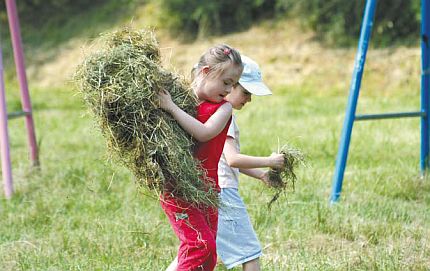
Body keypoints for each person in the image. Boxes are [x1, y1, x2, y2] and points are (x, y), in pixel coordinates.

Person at [158, 44, 243, 271]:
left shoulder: (224, 109)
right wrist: (169, 105)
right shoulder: (180, 98)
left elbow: (204, 133)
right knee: (199, 244)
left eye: (233, 85)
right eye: (226, 82)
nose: (229, 90)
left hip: (207, 189)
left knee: (208, 255)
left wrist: (171, 108)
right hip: (176, 185)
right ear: (206, 72)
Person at [216, 55, 285, 271]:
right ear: (230, 84)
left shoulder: (215, 113)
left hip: (210, 189)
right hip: (223, 192)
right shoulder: (223, 116)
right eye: (246, 92)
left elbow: (228, 158)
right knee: (250, 252)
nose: (249, 99)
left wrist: (261, 175)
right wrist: (270, 161)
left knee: (199, 251)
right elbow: (233, 159)